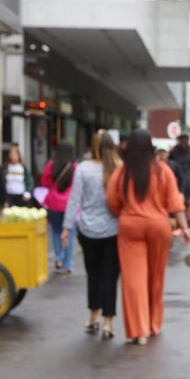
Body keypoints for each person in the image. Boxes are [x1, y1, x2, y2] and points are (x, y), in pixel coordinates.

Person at [106, 129, 190, 345]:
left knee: (133, 279)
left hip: (130, 227)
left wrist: (125, 213)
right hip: (158, 227)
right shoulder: (162, 171)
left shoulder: (122, 172)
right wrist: (185, 228)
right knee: (155, 278)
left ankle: (139, 330)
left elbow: (112, 202)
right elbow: (175, 203)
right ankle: (154, 323)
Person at [61, 130, 121, 339]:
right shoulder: (118, 168)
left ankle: (93, 315)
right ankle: (108, 322)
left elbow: (74, 200)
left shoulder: (83, 169)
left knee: (93, 275)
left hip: (87, 230)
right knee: (110, 276)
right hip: (114, 230)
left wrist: (67, 227)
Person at [41, 142, 77, 273]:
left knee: (56, 232)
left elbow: (44, 182)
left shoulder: (51, 165)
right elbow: (77, 187)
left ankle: (58, 259)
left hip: (54, 204)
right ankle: (67, 264)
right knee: (70, 233)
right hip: (70, 205)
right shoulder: (74, 167)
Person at [168, 134, 190, 225]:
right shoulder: (174, 151)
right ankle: (178, 220)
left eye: (186, 140)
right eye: (182, 140)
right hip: (177, 178)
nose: (184, 142)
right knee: (176, 199)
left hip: (187, 177)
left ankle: (187, 220)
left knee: (187, 201)